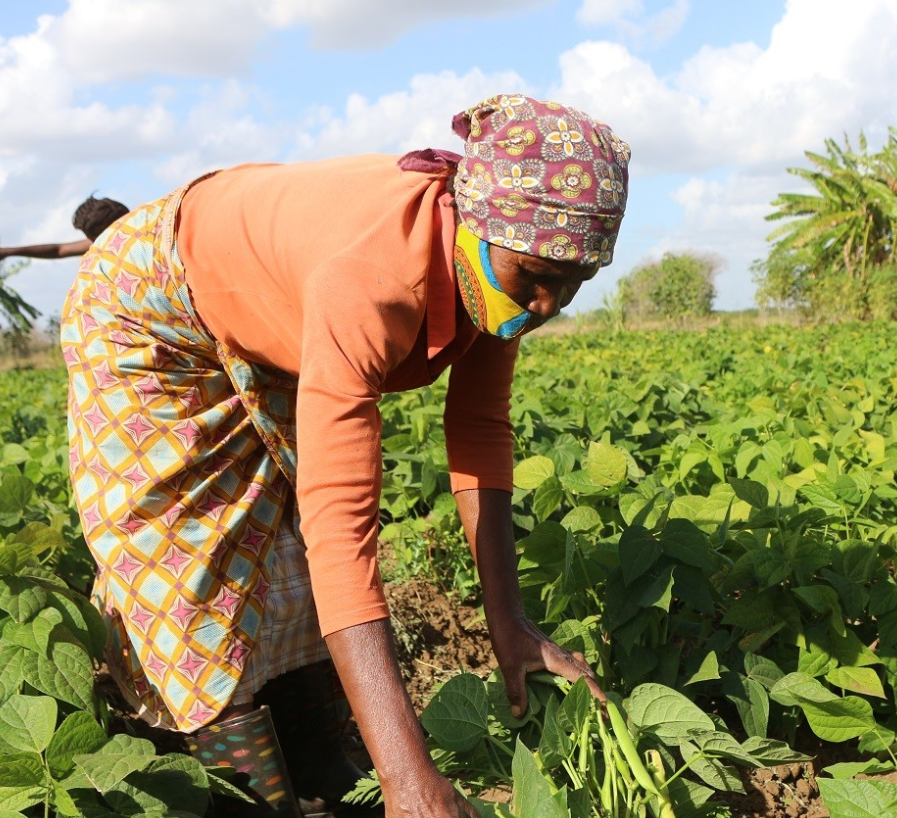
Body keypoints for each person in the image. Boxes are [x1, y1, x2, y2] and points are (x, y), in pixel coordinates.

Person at [60, 94, 629, 818]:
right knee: (188, 560)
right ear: (475, 222)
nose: (550, 303)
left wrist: (509, 621)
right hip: (147, 312)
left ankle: (322, 764)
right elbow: (342, 524)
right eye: (537, 276)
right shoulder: (373, 276)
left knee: (277, 551)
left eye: (575, 280)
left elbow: (479, 428)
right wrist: (407, 776)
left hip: (266, 314)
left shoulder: (497, 264)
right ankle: (244, 792)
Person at [0, 196, 130, 263]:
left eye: (95, 238)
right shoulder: (119, 236)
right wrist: (6, 252)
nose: (94, 243)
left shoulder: (148, 236)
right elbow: (59, 250)